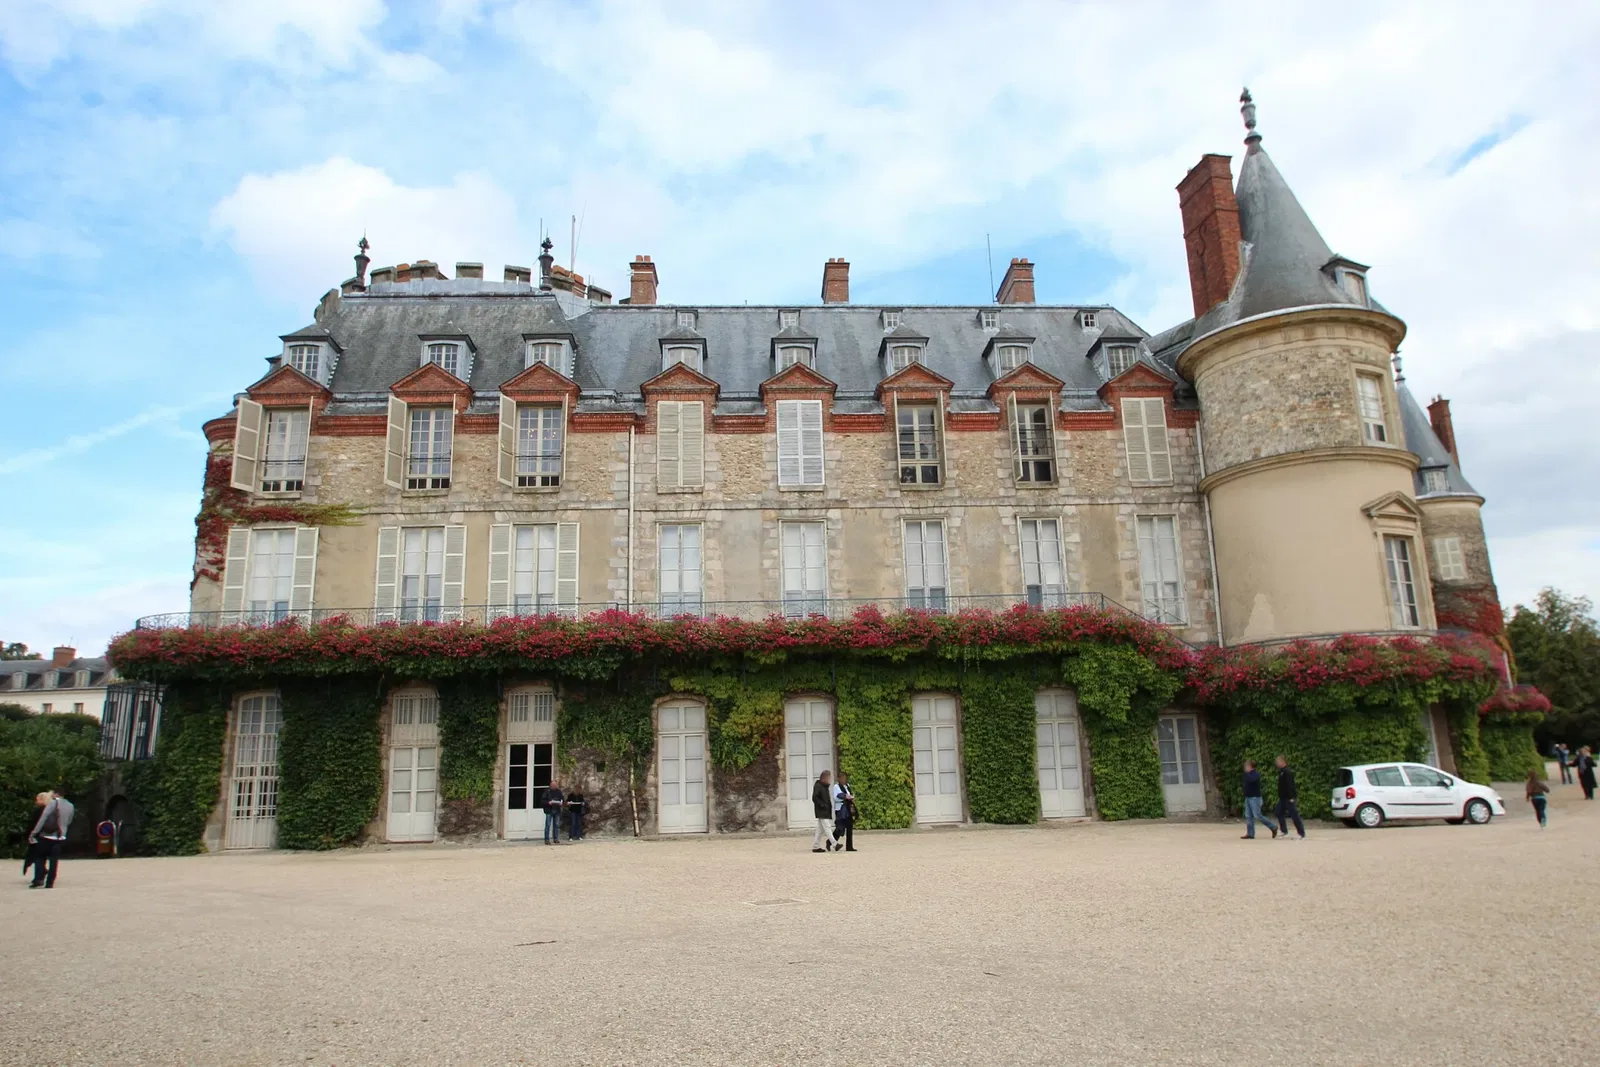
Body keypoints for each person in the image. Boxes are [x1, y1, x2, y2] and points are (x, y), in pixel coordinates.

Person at [28, 789, 74, 889]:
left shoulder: (53, 803)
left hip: (47, 835)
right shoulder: (70, 805)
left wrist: (34, 833)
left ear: (55, 794)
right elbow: (69, 821)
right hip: (61, 836)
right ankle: (50, 882)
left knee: (39, 857)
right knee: (54, 860)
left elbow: (43, 818)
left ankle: (39, 878)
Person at [1239, 760, 1277, 839]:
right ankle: (1250, 833)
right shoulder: (1247, 775)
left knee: (1257, 815)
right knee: (1248, 816)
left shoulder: (1255, 774)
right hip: (1248, 797)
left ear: (1250, 766)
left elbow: (1252, 780)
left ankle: (1273, 827)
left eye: (1246, 766)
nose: (1245, 768)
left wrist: (1247, 773)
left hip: (1255, 798)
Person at [1274, 756, 1305, 840]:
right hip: (1283, 798)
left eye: (1278, 761)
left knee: (1294, 815)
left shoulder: (1287, 772)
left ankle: (1301, 833)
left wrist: (1291, 797)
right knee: (1278, 812)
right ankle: (1284, 831)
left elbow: (1290, 785)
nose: (1277, 763)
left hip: (1288, 798)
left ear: (1283, 762)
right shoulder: (1281, 772)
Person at [20, 792, 49, 881]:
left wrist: (28, 835)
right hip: (47, 836)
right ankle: (41, 873)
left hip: (37, 836)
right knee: (41, 856)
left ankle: (39, 876)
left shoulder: (39, 811)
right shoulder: (50, 810)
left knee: (36, 856)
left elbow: (33, 824)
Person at [831, 770, 857, 852]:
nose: (843, 780)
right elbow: (836, 797)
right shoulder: (836, 787)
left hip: (848, 808)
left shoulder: (847, 786)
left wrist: (851, 798)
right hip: (840, 809)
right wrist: (845, 796)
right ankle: (830, 841)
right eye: (842, 778)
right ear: (838, 779)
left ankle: (849, 846)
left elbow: (850, 795)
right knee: (840, 828)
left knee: (850, 827)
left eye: (845, 778)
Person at [811, 770, 834, 853]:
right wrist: (822, 805)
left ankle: (816, 846)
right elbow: (814, 797)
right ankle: (834, 843)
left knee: (820, 830)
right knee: (827, 827)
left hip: (825, 810)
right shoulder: (818, 786)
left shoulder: (824, 786)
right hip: (821, 810)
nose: (829, 780)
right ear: (823, 778)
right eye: (828, 778)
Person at [542, 780, 565, 845]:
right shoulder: (547, 791)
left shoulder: (558, 791)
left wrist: (561, 803)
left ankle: (556, 839)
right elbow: (542, 801)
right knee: (548, 825)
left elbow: (562, 799)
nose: (554, 786)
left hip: (557, 810)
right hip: (549, 810)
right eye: (553, 785)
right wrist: (548, 802)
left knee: (556, 825)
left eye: (555, 785)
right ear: (550, 785)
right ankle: (546, 839)